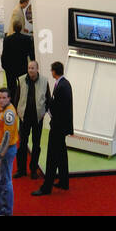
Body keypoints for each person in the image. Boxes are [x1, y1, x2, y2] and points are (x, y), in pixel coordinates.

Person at [33, 61, 72, 195]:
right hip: (62, 127)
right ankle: (64, 181)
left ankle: (46, 187)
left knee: (52, 156)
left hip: (57, 127)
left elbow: (57, 107)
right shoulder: (65, 84)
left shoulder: (61, 86)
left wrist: (48, 104)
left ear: (54, 71)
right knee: (61, 154)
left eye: (51, 70)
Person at [14, 60, 49, 179]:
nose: (30, 70)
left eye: (33, 68)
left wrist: (44, 113)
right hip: (24, 117)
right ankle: (21, 170)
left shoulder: (44, 81)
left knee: (36, 144)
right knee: (22, 144)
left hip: (37, 118)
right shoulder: (22, 80)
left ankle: (33, 170)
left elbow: (48, 99)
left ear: (37, 69)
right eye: (29, 68)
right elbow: (17, 97)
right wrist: (18, 112)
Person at [0, 88, 20, 216]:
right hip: (2, 148)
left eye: (3, 98)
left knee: (5, 179)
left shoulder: (9, 114)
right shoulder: (3, 108)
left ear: (9, 98)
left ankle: (6, 210)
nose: (0, 100)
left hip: (6, 150)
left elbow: (7, 136)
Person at [1, 20, 34, 112]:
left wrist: (5, 67)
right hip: (22, 68)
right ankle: (22, 107)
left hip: (10, 69)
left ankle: (12, 108)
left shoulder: (7, 39)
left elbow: (4, 55)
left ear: (13, 28)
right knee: (23, 89)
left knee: (11, 89)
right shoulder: (27, 39)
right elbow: (31, 55)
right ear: (21, 28)